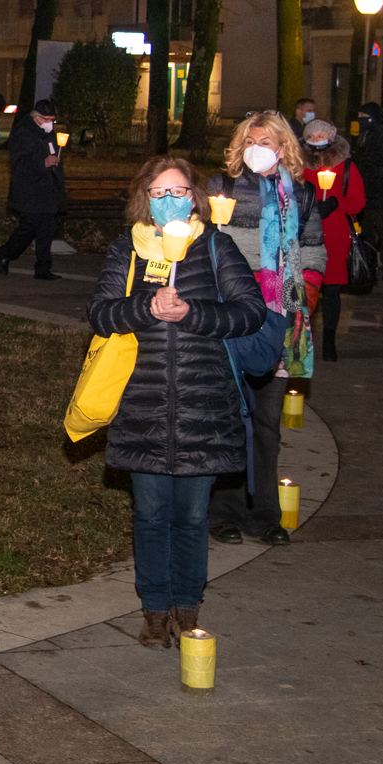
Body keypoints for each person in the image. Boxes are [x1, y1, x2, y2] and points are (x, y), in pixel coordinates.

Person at [88, 156, 266, 648]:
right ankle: (153, 610)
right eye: (160, 192)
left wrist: (192, 313)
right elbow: (101, 313)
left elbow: (249, 312)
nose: (170, 200)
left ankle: (187, 606)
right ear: (145, 198)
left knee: (190, 516)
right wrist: (145, 307)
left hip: (203, 405)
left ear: (196, 197)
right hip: (141, 404)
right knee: (149, 516)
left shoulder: (215, 246)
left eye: (180, 191)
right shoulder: (129, 249)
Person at [205, 110, 327, 547]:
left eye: (268, 141)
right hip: (233, 315)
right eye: (251, 140)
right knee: (228, 417)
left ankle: (264, 515)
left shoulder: (304, 196)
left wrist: (304, 298)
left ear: (284, 147)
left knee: (267, 423)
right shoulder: (221, 188)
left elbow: (313, 252)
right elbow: (202, 245)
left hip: (281, 319)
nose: (259, 148)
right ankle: (224, 511)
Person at [300, 120, 364, 363]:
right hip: (305, 233)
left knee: (332, 290)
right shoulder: (297, 166)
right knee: (303, 289)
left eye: (321, 135)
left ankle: (329, 341)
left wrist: (336, 203)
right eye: (312, 135)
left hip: (335, 235)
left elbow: (358, 201)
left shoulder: (346, 166)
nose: (316, 139)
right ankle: (302, 338)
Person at [0, 99, 67, 281]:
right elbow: (19, 165)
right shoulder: (23, 134)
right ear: (36, 117)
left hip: (48, 190)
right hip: (30, 191)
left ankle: (43, 268)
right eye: (46, 119)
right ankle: (6, 253)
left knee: (47, 230)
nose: (50, 123)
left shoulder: (49, 133)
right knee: (28, 228)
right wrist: (43, 163)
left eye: (52, 119)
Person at [353, 102, 383, 281]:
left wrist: (362, 160)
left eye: (362, 116)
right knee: (366, 230)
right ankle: (370, 262)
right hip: (367, 189)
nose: (360, 119)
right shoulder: (366, 133)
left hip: (380, 190)